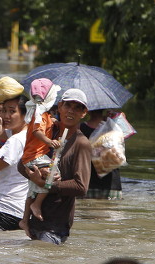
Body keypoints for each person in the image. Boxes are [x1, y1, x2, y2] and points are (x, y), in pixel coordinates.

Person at [17, 88, 91, 245]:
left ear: (84, 113)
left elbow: (81, 186)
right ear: (59, 106)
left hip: (55, 225)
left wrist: (46, 184)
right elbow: (21, 165)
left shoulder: (81, 143)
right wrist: (38, 172)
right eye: (68, 105)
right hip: (34, 222)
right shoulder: (48, 132)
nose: (71, 111)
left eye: (77, 108)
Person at [0, 84, 30, 230]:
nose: (6, 116)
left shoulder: (17, 140)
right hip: (18, 209)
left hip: (8, 209)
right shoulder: (23, 134)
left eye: (12, 111)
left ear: (25, 115)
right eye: (4, 111)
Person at [19, 78, 61, 235]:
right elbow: (37, 131)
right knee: (54, 174)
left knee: (32, 187)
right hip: (36, 155)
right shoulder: (40, 113)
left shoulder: (42, 113)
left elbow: (44, 124)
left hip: (30, 157)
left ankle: (24, 220)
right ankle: (37, 204)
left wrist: (54, 121)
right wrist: (50, 142)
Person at [80, 109, 123, 199]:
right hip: (112, 182)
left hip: (88, 181)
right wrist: (115, 119)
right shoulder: (113, 126)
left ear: (87, 111)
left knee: (88, 212)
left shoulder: (81, 128)